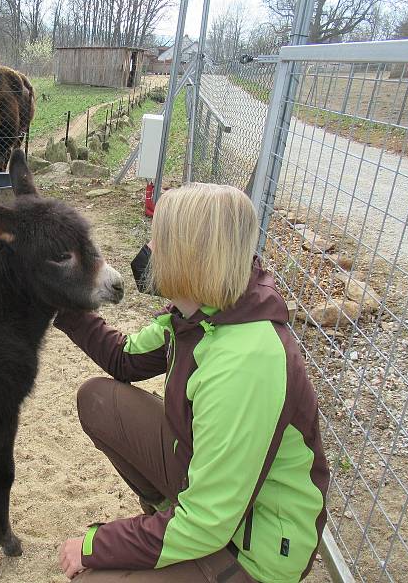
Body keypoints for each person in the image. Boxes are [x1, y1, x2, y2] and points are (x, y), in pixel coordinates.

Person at [55, 183, 329, 582]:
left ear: (189, 255)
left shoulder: (245, 361)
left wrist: (96, 545)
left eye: (158, 239)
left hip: (255, 546)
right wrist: (61, 303)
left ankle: (186, 546)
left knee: (94, 577)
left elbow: (207, 522)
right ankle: (168, 524)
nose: (148, 249)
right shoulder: (199, 314)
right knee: (99, 400)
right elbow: (124, 358)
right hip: (216, 501)